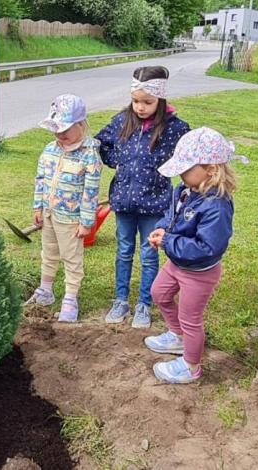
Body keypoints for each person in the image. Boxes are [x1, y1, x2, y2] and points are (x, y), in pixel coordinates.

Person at [144, 127, 245, 384]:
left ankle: (191, 366)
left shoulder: (217, 205)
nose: (180, 173)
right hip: (177, 261)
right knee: (159, 293)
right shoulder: (186, 190)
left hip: (199, 272)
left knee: (191, 319)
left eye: (186, 169)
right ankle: (177, 337)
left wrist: (168, 241)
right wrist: (162, 228)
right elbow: (172, 216)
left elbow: (207, 248)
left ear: (211, 168)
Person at [95, 66, 190, 328]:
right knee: (124, 251)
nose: (140, 107)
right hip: (124, 202)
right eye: (136, 101)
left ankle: (144, 304)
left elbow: (187, 158)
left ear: (160, 99)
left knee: (149, 254)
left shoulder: (175, 128)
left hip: (155, 204)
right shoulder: (122, 120)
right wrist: (119, 160)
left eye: (147, 102)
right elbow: (100, 143)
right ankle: (120, 300)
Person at [26, 94, 102, 323]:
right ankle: (45, 290)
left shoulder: (89, 155)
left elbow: (91, 193)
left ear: (81, 125)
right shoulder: (50, 150)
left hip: (71, 219)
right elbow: (41, 179)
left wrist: (87, 222)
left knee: (71, 258)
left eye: (65, 130)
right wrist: (38, 206)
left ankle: (70, 298)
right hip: (49, 213)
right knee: (48, 252)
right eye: (55, 130)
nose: (59, 135)